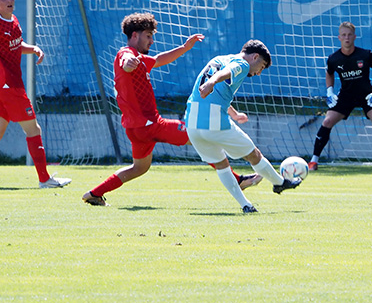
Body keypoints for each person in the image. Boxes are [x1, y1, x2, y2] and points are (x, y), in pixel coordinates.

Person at [82, 13, 260, 206]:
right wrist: (128, 63)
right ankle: (237, 180)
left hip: (136, 128)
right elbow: (125, 60)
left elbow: (159, 59)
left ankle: (94, 194)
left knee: (139, 168)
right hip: (151, 125)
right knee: (201, 136)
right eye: (148, 36)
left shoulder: (140, 59)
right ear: (135, 35)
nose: (151, 41)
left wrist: (184, 47)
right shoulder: (127, 55)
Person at [185, 39, 301, 213]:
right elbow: (227, 73)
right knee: (253, 155)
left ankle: (245, 205)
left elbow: (216, 91)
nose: (258, 73)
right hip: (213, 121)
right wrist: (212, 82)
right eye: (261, 67)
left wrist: (234, 114)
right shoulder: (242, 64)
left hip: (191, 122)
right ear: (254, 57)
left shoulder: (218, 59)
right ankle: (279, 183)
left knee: (221, 164)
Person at [0, 0, 71, 188]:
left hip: (6, 85)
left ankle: (44, 179)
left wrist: (32, 48)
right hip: (8, 85)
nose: (9, 0)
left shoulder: (13, 20)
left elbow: (14, 45)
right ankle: (45, 179)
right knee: (34, 129)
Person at [308, 21, 372, 171]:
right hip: (346, 95)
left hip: (366, 95)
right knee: (327, 121)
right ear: (339, 37)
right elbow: (329, 73)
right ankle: (313, 161)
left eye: (349, 35)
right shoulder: (334, 58)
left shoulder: (366, 55)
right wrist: (329, 92)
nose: (347, 38)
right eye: (344, 35)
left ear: (354, 37)